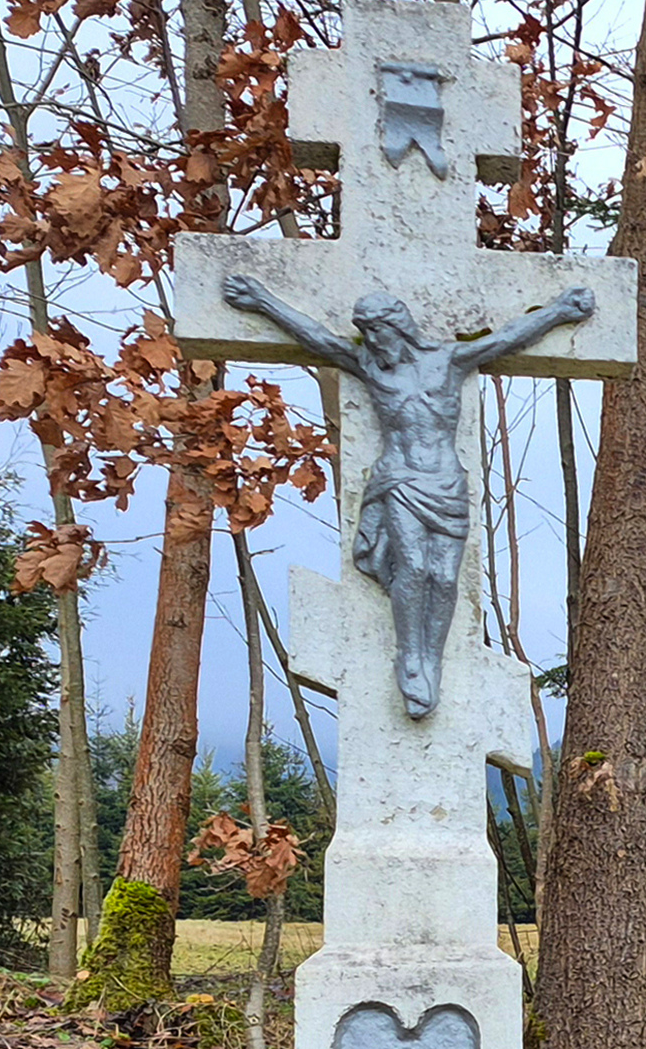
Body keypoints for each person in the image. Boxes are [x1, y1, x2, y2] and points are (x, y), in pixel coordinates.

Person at [219, 274, 595, 717]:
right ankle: (410, 656)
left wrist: (558, 310)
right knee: (412, 567)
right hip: (398, 478)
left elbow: (508, 338)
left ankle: (431, 658)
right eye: (369, 335)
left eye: (380, 332)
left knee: (445, 578)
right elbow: (316, 337)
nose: (375, 343)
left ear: (400, 328)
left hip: (446, 482)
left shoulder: (449, 361)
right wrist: (262, 300)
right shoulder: (368, 366)